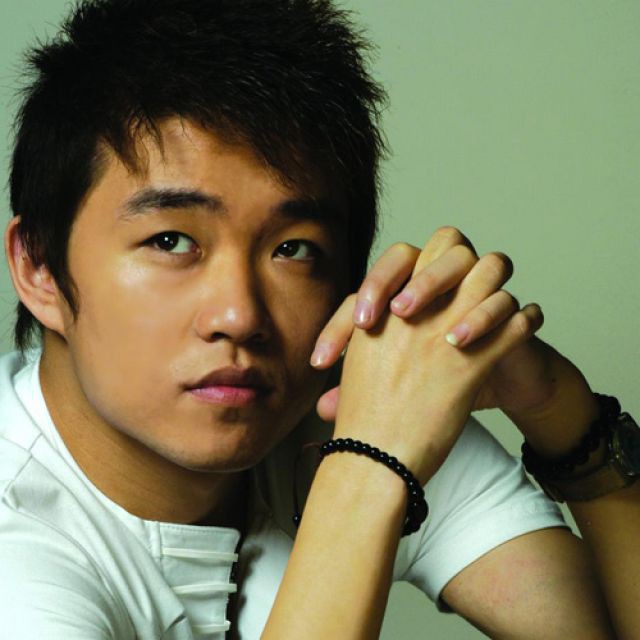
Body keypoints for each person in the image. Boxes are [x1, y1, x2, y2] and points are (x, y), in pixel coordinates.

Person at [0, 0, 637, 638]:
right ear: (38, 267)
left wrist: (562, 412)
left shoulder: (342, 412)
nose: (239, 316)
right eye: (171, 241)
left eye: (293, 249)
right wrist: (371, 466)